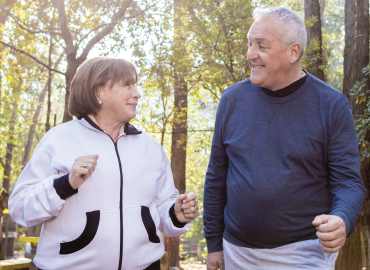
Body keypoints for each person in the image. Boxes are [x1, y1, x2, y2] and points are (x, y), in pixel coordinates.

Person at [203, 6, 365, 270]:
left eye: (262, 46)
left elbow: (349, 184)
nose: (250, 54)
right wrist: (214, 245)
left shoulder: (331, 106)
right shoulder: (231, 100)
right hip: (236, 253)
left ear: (293, 52)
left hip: (304, 254)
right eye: (250, 44)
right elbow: (216, 177)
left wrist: (342, 219)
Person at [9, 57, 199, 270]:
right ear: (99, 93)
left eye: (134, 85)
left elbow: (162, 207)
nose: (137, 93)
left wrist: (176, 214)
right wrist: (64, 184)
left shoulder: (150, 146)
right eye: (127, 85)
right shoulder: (58, 140)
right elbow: (20, 208)